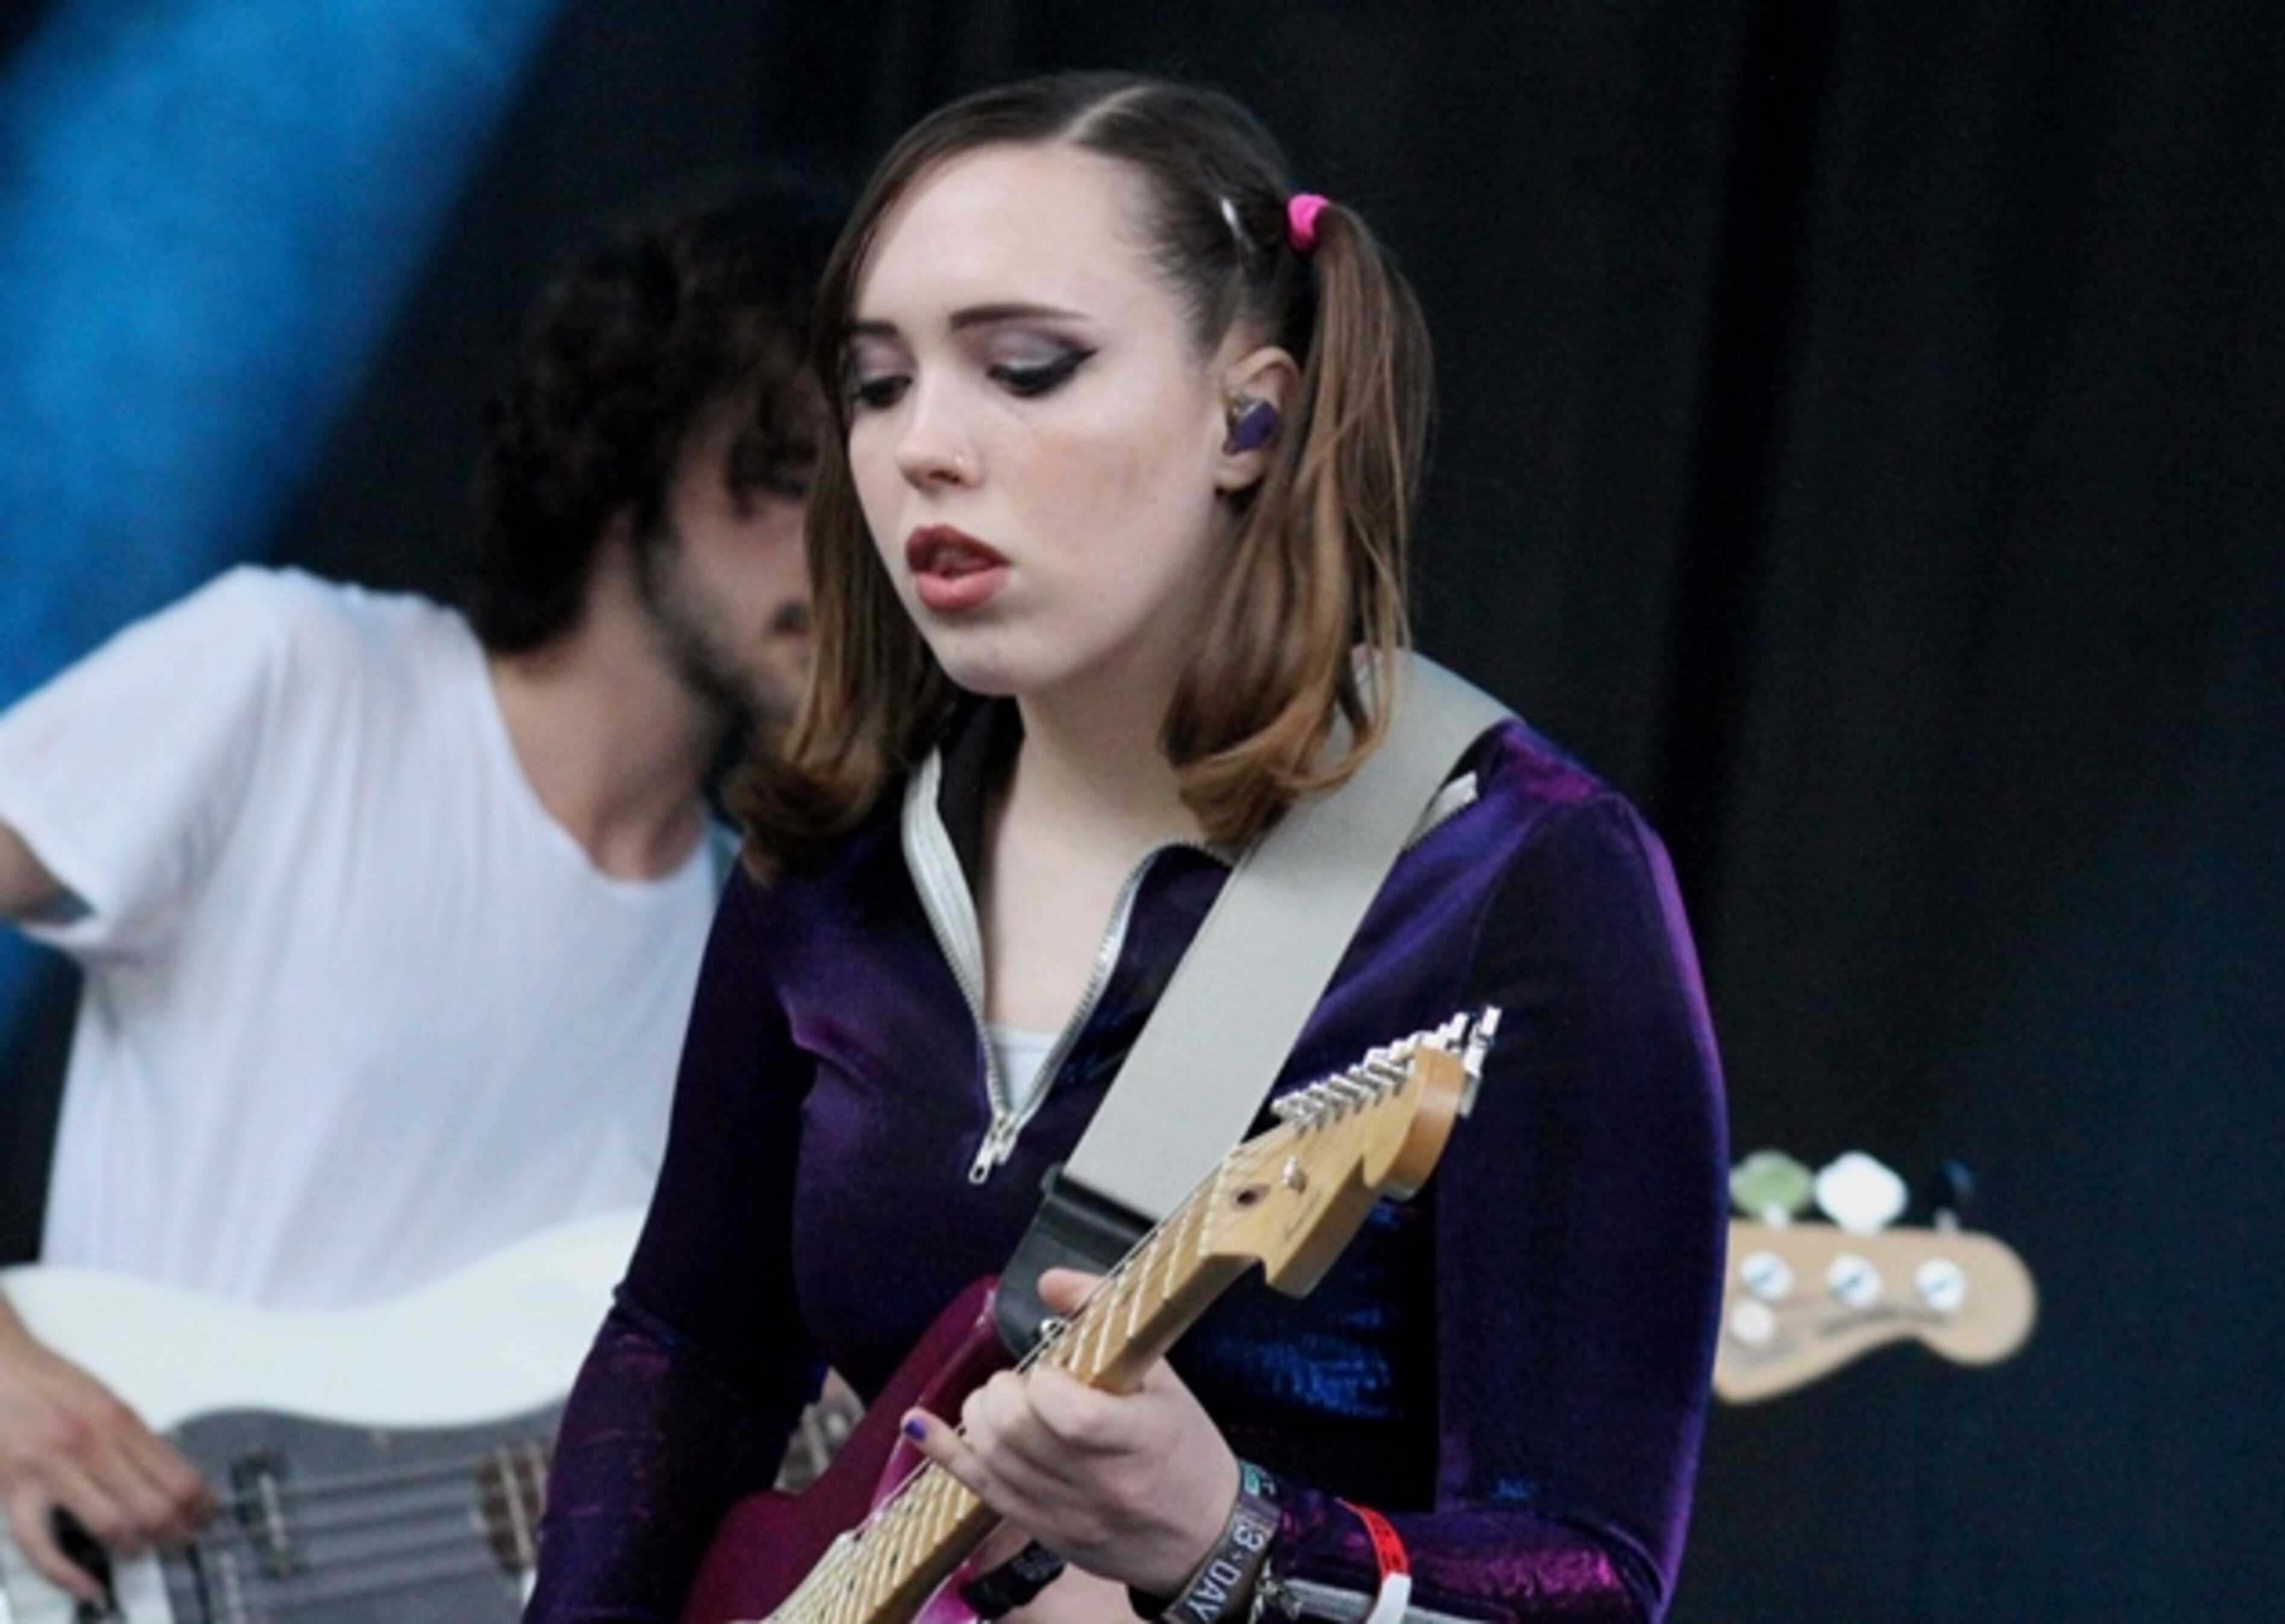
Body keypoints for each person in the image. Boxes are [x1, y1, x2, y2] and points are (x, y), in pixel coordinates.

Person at [525, 71, 1727, 1624]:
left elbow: (1594, 1582)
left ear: (1255, 412)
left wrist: (1231, 1539)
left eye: (1027, 369)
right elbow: (688, 1348)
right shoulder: (838, 857)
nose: (921, 450)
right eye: (879, 384)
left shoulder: (1517, 882)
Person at [0, 184, 840, 1607]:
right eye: (794, 472)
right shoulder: (292, 674)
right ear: (639, 450)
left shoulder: (767, 976)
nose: (853, 557)